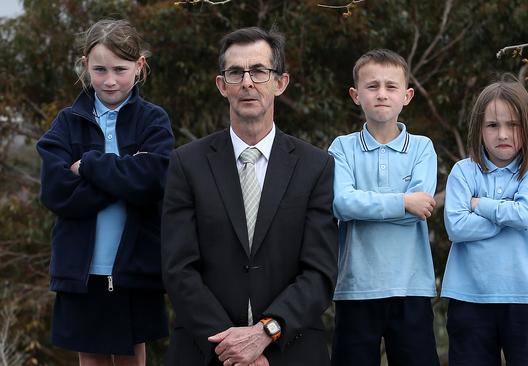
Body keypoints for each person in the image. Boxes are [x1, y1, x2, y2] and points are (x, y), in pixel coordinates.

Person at [161, 27, 338, 366]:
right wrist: (231, 347)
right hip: (206, 351)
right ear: (221, 84)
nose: (247, 82)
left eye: (258, 71)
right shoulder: (186, 163)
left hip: (290, 350)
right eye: (235, 72)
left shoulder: (316, 166)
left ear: (280, 82)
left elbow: (320, 272)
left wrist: (264, 334)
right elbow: (178, 268)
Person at [36, 19, 174, 365]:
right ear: (85, 65)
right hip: (81, 273)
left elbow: (154, 181)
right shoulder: (67, 123)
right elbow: (56, 192)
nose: (110, 80)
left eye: (120, 69)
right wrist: (125, 178)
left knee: (132, 358)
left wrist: (91, 167)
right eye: (99, 69)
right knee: (92, 359)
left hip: (136, 269)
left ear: (140, 66)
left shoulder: (153, 120)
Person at [328, 49, 440, 366]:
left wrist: (366, 205)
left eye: (391, 87)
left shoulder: (422, 147)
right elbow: (341, 203)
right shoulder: (342, 147)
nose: (381, 94)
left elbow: (420, 210)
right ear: (355, 94)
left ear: (407, 96)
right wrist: (403, 201)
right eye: (372, 86)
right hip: (355, 288)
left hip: (412, 287)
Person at [441, 77, 528, 366]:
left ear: (527, 127)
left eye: (512, 125)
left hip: (524, 297)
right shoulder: (463, 172)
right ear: (479, 129)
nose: (503, 133)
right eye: (492, 125)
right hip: (468, 298)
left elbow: (525, 215)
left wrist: (481, 205)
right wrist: (509, 215)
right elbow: (456, 226)